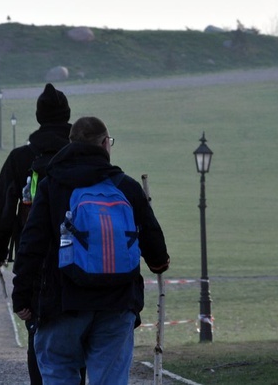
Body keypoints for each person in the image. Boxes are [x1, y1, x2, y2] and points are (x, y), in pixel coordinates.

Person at [11, 116, 170, 385]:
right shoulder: (125, 186)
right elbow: (156, 251)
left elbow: (31, 245)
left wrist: (23, 296)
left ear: (70, 144)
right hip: (118, 304)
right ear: (106, 143)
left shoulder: (52, 186)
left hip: (63, 303)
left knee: (58, 368)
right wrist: (158, 263)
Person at [0, 83, 72, 385]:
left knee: (38, 336)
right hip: (80, 257)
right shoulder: (83, 155)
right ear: (67, 116)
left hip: (33, 259)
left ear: (38, 117)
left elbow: (2, 211)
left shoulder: (19, 158)